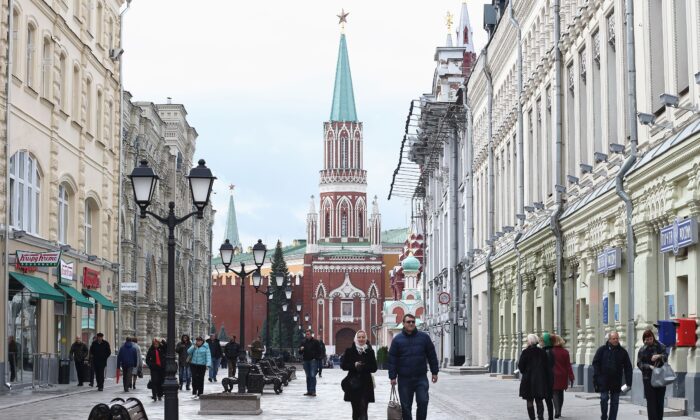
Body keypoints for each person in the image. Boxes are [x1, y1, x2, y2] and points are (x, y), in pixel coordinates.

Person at [388, 313, 439, 420]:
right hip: (404, 379)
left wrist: (435, 372)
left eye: (413, 322)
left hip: (421, 377)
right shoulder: (397, 340)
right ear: (403, 324)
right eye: (408, 322)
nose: (411, 323)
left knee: (423, 402)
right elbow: (392, 359)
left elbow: (432, 355)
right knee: (406, 406)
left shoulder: (424, 337)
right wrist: (392, 376)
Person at [593, 331, 633, 420]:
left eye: (617, 338)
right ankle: (604, 415)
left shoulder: (622, 352)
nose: (616, 340)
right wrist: (597, 378)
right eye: (613, 339)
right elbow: (595, 364)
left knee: (615, 402)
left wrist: (628, 383)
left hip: (616, 381)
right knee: (604, 398)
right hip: (604, 381)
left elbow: (628, 368)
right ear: (609, 339)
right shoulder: (602, 350)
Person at [341, 330, 378, 420]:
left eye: (363, 337)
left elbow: (374, 368)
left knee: (364, 409)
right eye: (359, 337)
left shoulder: (370, 351)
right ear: (355, 339)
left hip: (366, 384)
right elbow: (343, 366)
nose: (361, 339)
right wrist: (354, 365)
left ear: (366, 339)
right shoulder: (349, 351)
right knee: (356, 409)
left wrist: (363, 366)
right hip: (354, 384)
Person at [637, 329, 668, 420]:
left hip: (660, 377)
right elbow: (639, 363)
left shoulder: (660, 346)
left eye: (650, 338)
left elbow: (666, 357)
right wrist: (649, 367)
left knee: (660, 402)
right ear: (644, 340)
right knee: (651, 403)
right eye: (647, 339)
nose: (649, 341)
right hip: (648, 379)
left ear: (653, 337)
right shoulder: (642, 350)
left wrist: (659, 356)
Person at [518, 334, 550, 420]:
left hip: (528, 380)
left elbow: (521, 366)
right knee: (539, 400)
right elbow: (547, 366)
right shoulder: (542, 352)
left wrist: (526, 372)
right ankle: (540, 417)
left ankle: (532, 418)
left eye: (527, 340)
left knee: (529, 400)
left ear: (529, 342)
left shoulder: (525, 352)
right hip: (540, 380)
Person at [550, 334, 575, 419]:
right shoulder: (565, 352)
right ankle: (559, 411)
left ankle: (557, 411)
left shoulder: (551, 351)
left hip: (553, 374)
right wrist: (571, 376)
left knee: (555, 392)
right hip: (563, 375)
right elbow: (568, 365)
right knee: (560, 393)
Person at [299, 329, 322, 396]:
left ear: (311, 334)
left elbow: (319, 351)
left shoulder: (315, 342)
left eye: (308, 334)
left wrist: (316, 358)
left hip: (313, 361)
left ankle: (313, 391)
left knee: (312, 375)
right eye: (306, 334)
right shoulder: (303, 342)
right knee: (308, 376)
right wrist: (301, 349)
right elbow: (300, 352)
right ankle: (309, 391)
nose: (307, 335)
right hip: (306, 360)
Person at [541, 333, 555, 420]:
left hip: (546, 378)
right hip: (548, 378)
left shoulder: (547, 352)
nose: (540, 342)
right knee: (548, 399)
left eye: (541, 340)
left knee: (548, 399)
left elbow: (547, 366)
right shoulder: (549, 350)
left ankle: (550, 417)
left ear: (545, 341)